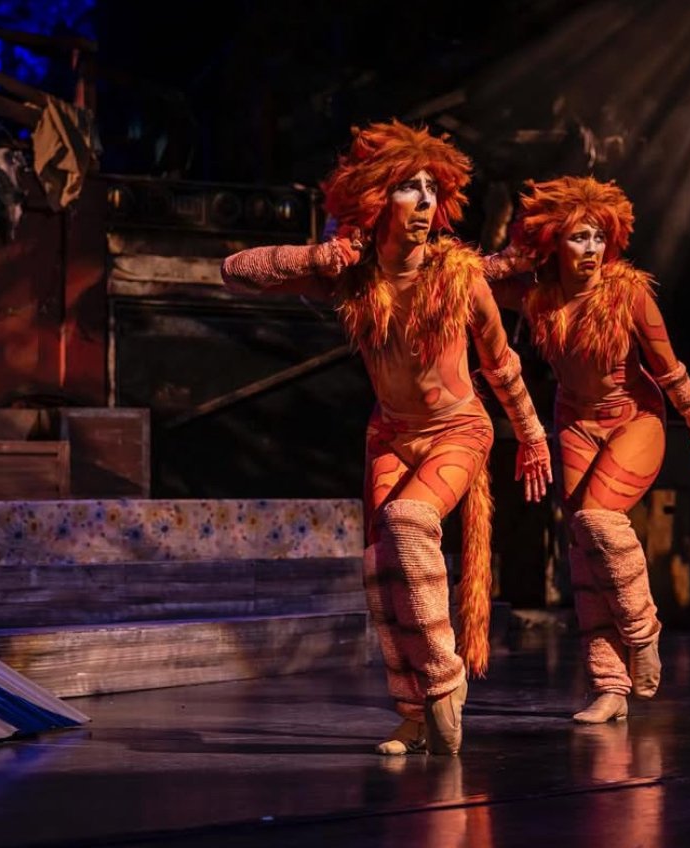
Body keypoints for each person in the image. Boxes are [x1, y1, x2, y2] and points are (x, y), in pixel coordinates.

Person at [221, 121, 553, 754]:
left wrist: (532, 437)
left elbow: (502, 363)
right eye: (408, 187)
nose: (425, 201)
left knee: (407, 520)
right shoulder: (352, 275)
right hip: (391, 433)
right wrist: (318, 257)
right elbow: (234, 272)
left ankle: (444, 679)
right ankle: (413, 712)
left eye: (432, 187)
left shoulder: (459, 277)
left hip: (458, 428)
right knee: (379, 570)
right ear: (376, 200)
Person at [486, 175, 690, 723]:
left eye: (597, 237)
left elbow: (667, 367)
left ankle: (644, 633)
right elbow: (471, 279)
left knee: (598, 520)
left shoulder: (628, 292)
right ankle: (608, 687)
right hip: (574, 423)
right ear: (553, 242)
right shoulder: (536, 294)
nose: (590, 249)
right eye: (576, 238)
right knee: (583, 553)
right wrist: (519, 252)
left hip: (633, 420)